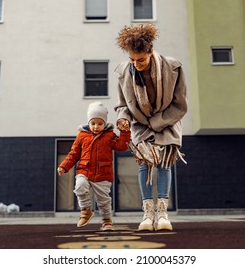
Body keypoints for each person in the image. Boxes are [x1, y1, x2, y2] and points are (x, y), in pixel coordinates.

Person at [114, 23, 187, 231]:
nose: (136, 64)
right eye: (132, 60)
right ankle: (147, 215)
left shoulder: (173, 67)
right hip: (139, 124)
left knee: (164, 163)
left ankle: (162, 214)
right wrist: (123, 118)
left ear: (150, 50)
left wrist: (157, 122)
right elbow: (122, 105)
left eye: (141, 60)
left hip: (167, 121)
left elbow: (180, 105)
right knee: (144, 164)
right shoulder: (122, 72)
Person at [57, 101, 130, 231]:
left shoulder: (109, 135)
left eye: (100, 123)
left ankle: (107, 221)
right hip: (84, 170)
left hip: (103, 173)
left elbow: (122, 146)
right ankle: (86, 211)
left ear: (105, 123)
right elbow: (74, 154)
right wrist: (64, 166)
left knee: (103, 200)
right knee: (79, 186)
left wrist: (124, 133)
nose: (96, 127)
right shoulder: (82, 136)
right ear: (88, 122)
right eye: (93, 123)